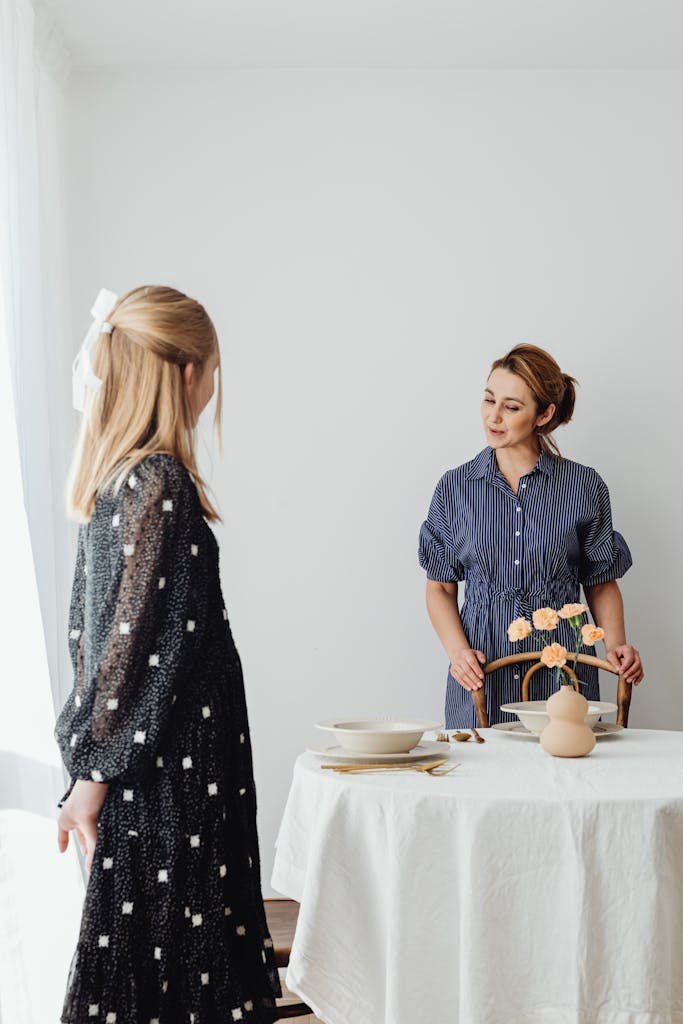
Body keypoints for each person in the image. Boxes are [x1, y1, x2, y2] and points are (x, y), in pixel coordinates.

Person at [55, 286, 281, 1023]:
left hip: (152, 762)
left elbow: (91, 640)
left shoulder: (115, 480)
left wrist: (89, 760)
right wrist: (95, 771)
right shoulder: (160, 484)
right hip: (176, 772)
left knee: (144, 961)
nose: (213, 386)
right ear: (187, 374)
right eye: (213, 371)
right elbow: (133, 646)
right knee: (180, 966)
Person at [418, 344, 643, 729]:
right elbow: (440, 586)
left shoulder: (584, 486)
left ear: (545, 414)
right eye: (489, 400)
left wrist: (616, 645)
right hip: (482, 666)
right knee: (481, 780)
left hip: (563, 663)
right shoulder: (455, 488)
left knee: (565, 774)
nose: (494, 416)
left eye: (512, 406)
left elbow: (601, 581)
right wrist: (458, 653)